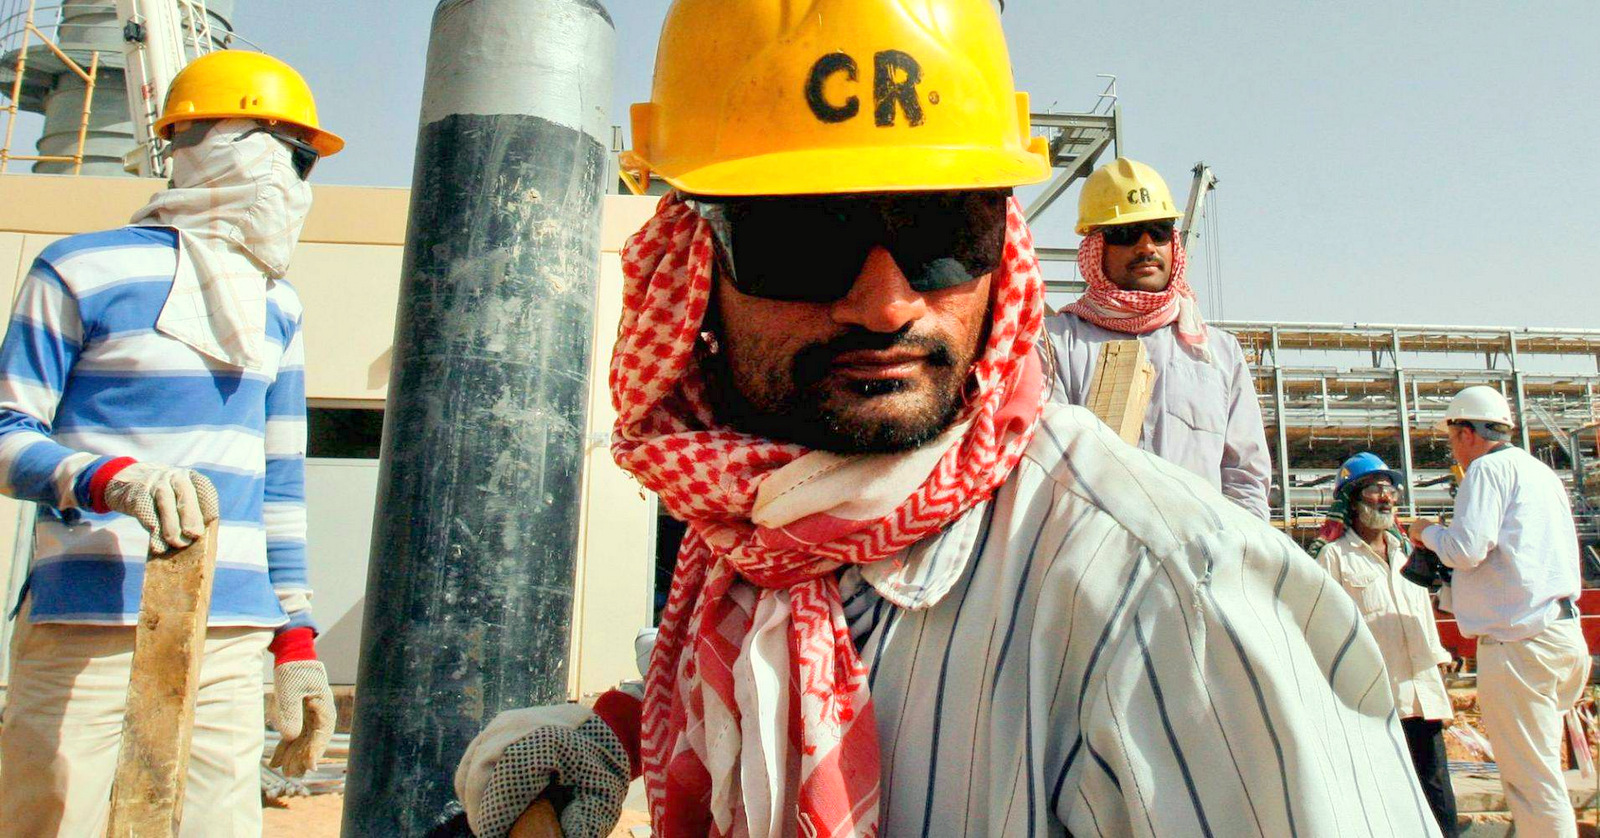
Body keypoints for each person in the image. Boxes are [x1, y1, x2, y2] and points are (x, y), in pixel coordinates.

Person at [452, 2, 1439, 836]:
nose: (885, 305)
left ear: (999, 244)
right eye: (806, 234)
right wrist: (618, 730)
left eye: (936, 232)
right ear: (696, 266)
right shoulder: (760, 530)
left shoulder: (1181, 612)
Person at [0, 51, 341, 836]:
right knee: (57, 821)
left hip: (228, 636)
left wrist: (294, 638)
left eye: (305, 164)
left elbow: (279, 485)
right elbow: (7, 432)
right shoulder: (80, 270)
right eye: (286, 154)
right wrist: (106, 480)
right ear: (215, 143)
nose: (293, 182)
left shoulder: (276, 306)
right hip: (86, 623)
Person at [1044, 158, 1273, 519]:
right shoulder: (1056, 345)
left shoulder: (1218, 353)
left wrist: (1234, 563)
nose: (1147, 246)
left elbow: (1245, 476)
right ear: (1096, 248)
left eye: (1159, 231)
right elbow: (1046, 469)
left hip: (1201, 563)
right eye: (1127, 234)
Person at [1409, 385, 1589, 837]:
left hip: (1520, 647)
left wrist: (1427, 532)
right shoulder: (1539, 473)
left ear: (1468, 432)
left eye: (1453, 437)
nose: (1453, 449)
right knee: (1542, 771)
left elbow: (1467, 549)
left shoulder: (1487, 470)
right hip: (1562, 635)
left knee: (1531, 782)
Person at [1316, 453, 1458, 836]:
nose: (1386, 498)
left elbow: (1428, 615)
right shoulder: (1335, 559)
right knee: (1383, 797)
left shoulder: (1410, 556)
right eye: (1376, 490)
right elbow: (1324, 631)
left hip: (1421, 694)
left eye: (1390, 489)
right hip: (1372, 701)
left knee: (1437, 795)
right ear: (1351, 500)